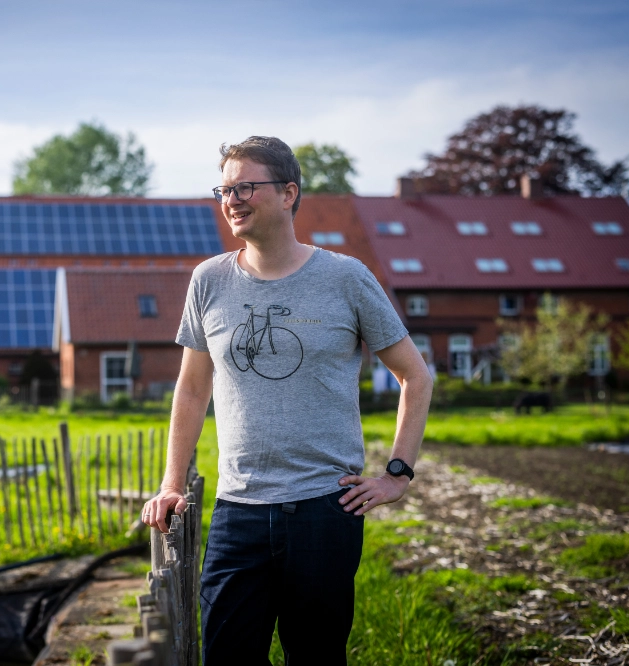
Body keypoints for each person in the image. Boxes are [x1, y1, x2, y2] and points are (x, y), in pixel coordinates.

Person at [141, 136, 433, 664]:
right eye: (224, 189)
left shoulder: (347, 278)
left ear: (288, 193)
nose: (232, 199)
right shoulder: (208, 281)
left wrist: (396, 474)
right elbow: (190, 390)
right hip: (239, 512)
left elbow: (416, 376)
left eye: (246, 187)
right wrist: (170, 483)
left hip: (326, 511)